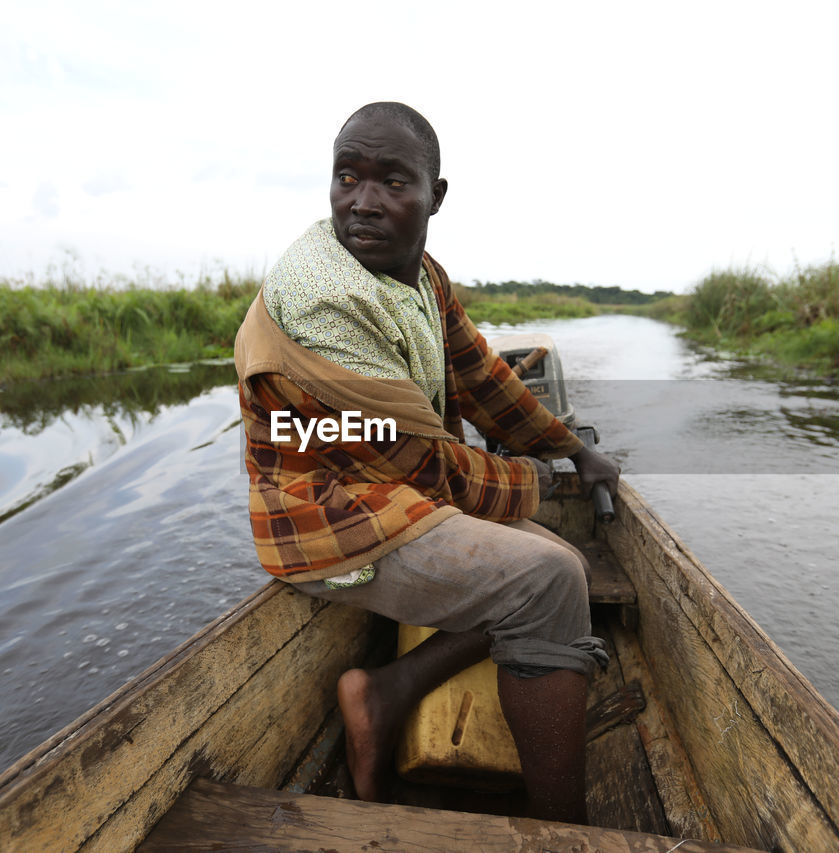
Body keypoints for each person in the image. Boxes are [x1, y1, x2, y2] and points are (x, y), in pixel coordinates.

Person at [233, 101, 619, 824]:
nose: (362, 203)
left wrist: (573, 448)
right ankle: (566, 835)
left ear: (436, 197)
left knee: (556, 566)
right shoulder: (323, 304)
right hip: (328, 521)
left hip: (388, 498)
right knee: (551, 578)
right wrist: (537, 480)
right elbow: (426, 471)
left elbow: (481, 378)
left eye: (391, 183)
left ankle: (387, 690)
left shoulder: (421, 275)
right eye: (347, 178)